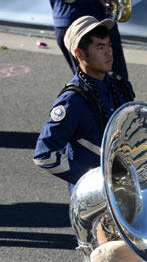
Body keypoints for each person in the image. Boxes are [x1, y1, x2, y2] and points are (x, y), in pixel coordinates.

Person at [33, 15, 135, 193]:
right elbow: (44, 155)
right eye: (100, 47)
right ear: (79, 53)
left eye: (109, 45)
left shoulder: (120, 86)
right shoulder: (72, 100)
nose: (109, 52)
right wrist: (92, 179)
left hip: (125, 189)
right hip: (94, 197)